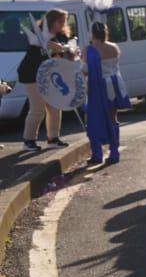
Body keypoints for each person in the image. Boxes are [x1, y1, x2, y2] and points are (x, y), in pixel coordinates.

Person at [20, 8, 74, 152]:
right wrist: (56, 47)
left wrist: (68, 53)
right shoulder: (37, 34)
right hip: (31, 74)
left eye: (64, 21)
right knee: (37, 108)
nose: (63, 24)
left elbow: (62, 55)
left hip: (48, 75)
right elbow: (42, 43)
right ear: (52, 21)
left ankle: (53, 139)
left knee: (55, 106)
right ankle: (28, 140)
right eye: (60, 21)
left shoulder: (61, 36)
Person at [84, 20, 130, 164]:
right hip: (115, 85)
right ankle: (114, 153)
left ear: (92, 33)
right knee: (113, 118)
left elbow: (85, 71)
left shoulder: (90, 49)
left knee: (94, 119)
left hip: (99, 86)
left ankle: (97, 154)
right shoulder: (114, 47)